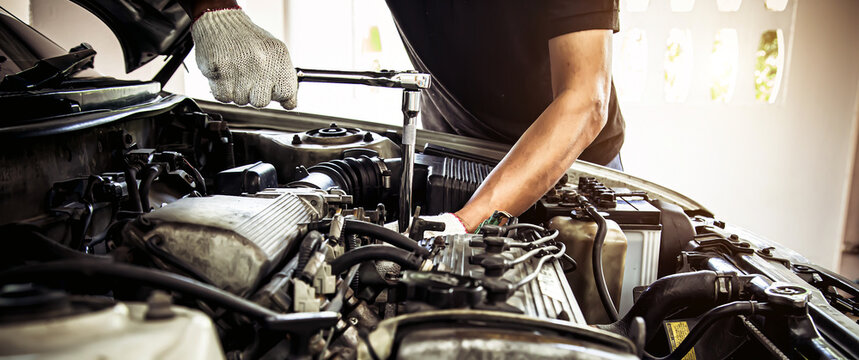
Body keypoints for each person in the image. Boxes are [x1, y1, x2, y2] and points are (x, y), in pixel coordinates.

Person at [179, 0, 625, 233]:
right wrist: (213, 8)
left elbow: (585, 101)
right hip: (453, 146)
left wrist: (466, 223)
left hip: (571, 163)